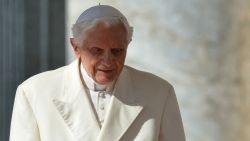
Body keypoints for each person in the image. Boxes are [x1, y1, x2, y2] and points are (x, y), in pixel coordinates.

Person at [10, 5, 185, 141]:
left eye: (117, 51)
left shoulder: (159, 92)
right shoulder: (34, 92)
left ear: (127, 46)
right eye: (97, 51)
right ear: (76, 47)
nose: (108, 61)